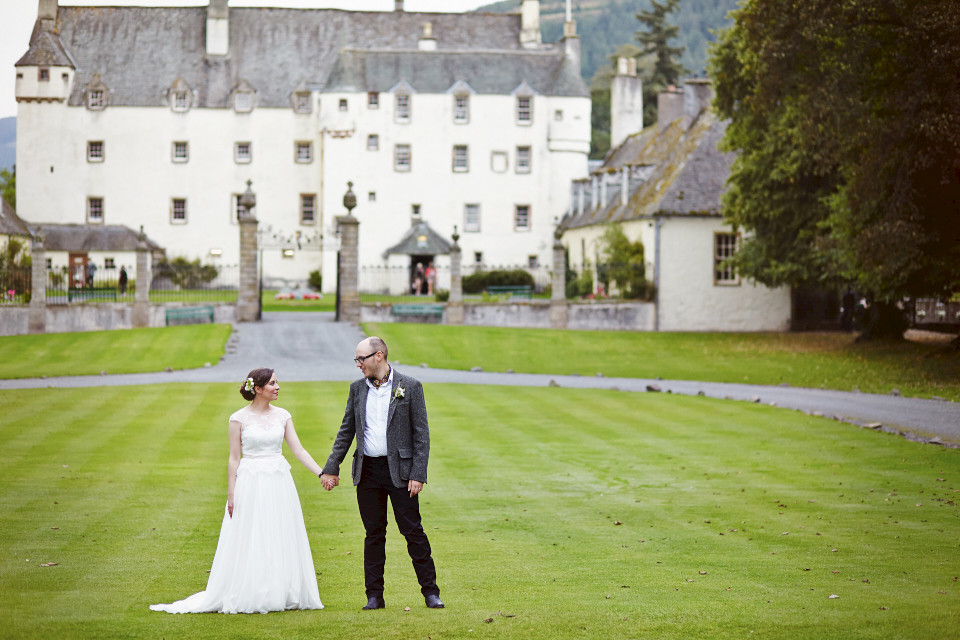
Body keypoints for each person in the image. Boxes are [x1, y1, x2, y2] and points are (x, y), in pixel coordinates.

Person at [150, 368, 325, 614]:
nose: (277, 387)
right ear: (259, 388)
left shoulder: (283, 415)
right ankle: (252, 589)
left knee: (278, 531)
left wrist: (322, 473)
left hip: (278, 479)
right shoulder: (238, 418)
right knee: (252, 533)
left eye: (277, 383)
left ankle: (280, 589)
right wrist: (232, 493)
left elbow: (299, 451)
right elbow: (234, 458)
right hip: (250, 480)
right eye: (273, 383)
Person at [320, 337, 443, 611]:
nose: (357, 364)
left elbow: (421, 435)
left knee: (413, 532)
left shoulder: (410, 386)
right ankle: (374, 596)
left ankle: (431, 592)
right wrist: (331, 466)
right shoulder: (356, 389)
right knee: (374, 534)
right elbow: (346, 431)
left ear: (379, 355)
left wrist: (418, 473)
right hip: (368, 472)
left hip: (400, 472)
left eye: (360, 359)